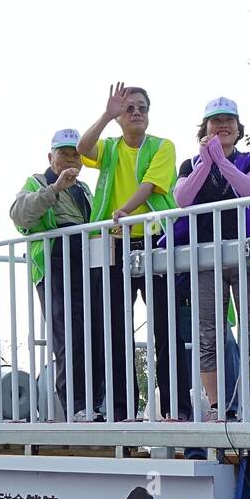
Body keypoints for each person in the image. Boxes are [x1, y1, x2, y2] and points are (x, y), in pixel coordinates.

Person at [78, 84, 189, 421]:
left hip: (156, 242)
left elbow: (150, 187)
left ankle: (174, 408)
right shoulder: (110, 146)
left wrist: (125, 212)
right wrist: (106, 115)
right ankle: (123, 408)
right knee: (115, 331)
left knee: (166, 329)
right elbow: (83, 148)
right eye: (129, 109)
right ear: (120, 117)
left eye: (142, 107)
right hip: (116, 245)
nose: (136, 113)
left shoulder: (162, 146)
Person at [173, 97, 250, 420]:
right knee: (207, 333)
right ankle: (217, 408)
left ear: (239, 128)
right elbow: (182, 199)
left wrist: (222, 162)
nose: (223, 126)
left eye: (229, 120)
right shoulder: (190, 164)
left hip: (246, 257)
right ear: (204, 128)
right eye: (216, 121)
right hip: (205, 259)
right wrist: (206, 163)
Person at [9, 129, 101, 421]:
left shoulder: (85, 189)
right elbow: (19, 214)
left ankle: (98, 402)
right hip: (54, 263)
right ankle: (76, 405)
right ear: (51, 157)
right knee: (69, 336)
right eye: (64, 153)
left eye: (76, 153)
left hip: (87, 262)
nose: (71, 159)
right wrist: (54, 189)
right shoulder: (37, 182)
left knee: (96, 333)